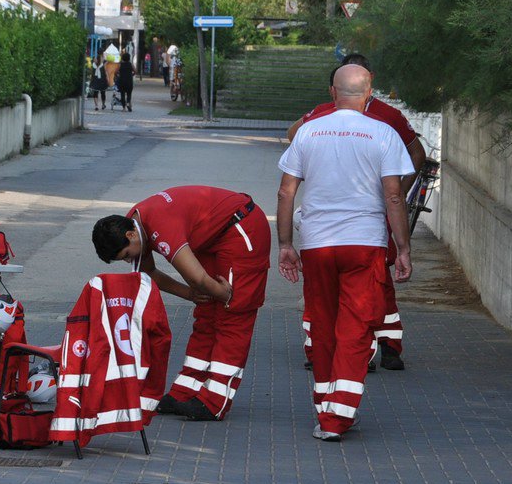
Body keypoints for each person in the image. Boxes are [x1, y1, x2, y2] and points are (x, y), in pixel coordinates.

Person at [276, 63, 414, 441]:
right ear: (370, 94)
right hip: (365, 245)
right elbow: (393, 195)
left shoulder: (309, 131)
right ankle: (338, 417)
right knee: (356, 327)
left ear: (333, 94)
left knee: (322, 324)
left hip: (318, 245)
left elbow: (286, 192)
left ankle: (326, 407)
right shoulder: (383, 134)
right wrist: (402, 248)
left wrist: (286, 244)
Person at [287, 54, 427, 371]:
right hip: (370, 223)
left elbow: (292, 137)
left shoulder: (321, 116)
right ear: (368, 84)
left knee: (323, 290)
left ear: (336, 89)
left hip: (324, 228)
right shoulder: (388, 117)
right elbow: (418, 153)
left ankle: (323, 350)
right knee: (375, 282)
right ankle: (381, 344)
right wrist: (397, 196)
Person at [91, 185, 270, 421]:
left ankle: (214, 401)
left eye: (126, 255)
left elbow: (197, 278)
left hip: (242, 228)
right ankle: (186, 391)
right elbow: (151, 274)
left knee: (233, 315)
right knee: (206, 312)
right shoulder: (132, 225)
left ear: (130, 236)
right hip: (214, 235)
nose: (129, 261)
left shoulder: (160, 227)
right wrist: (191, 294)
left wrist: (226, 295)